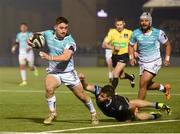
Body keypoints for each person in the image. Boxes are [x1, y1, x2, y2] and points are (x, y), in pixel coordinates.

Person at [28, 17, 99, 125]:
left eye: (66, 28)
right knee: (49, 88)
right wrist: (31, 38)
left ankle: (93, 113)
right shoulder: (48, 33)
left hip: (68, 73)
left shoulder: (70, 41)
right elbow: (36, 34)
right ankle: (52, 113)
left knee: (82, 96)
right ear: (55, 27)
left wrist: (49, 58)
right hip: (54, 72)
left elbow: (66, 57)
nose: (64, 30)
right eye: (61, 28)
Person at [79, 73, 171, 122]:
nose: (99, 97)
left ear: (109, 98)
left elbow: (132, 106)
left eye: (102, 96)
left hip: (122, 106)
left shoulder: (115, 104)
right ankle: (156, 115)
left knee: (134, 109)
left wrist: (131, 113)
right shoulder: (99, 91)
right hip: (120, 113)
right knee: (135, 112)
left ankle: (157, 107)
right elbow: (86, 86)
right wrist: (83, 80)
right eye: (100, 94)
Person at [128, 12, 172, 100]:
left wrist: (167, 59)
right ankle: (164, 88)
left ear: (150, 22)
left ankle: (137, 107)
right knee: (146, 85)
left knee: (142, 83)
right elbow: (130, 45)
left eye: (146, 21)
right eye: (142, 21)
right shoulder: (135, 33)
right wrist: (131, 57)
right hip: (142, 62)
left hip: (154, 61)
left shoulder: (158, 33)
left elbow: (168, 45)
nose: (143, 23)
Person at [103, 17, 135, 90]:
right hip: (115, 56)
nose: (119, 26)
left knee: (115, 73)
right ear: (115, 25)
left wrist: (134, 51)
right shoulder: (112, 32)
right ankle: (131, 77)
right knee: (122, 76)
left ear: (124, 24)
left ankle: (111, 93)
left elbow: (135, 42)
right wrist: (113, 48)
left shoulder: (129, 32)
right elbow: (105, 44)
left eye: (121, 24)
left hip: (124, 55)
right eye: (117, 25)